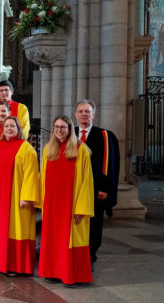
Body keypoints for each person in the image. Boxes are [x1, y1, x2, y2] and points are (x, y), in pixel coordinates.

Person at [37, 115, 94, 286]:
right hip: (53, 204)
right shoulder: (49, 149)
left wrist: (81, 208)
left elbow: (87, 182)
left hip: (72, 204)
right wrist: (42, 203)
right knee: (53, 239)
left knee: (69, 239)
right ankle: (53, 272)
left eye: (63, 127)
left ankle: (71, 275)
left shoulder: (80, 149)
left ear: (70, 129)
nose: (59, 130)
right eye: (56, 127)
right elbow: (43, 178)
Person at [0, 116, 39, 275]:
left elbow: (31, 175)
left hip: (16, 198)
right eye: (6, 126)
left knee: (16, 229)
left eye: (12, 126)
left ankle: (15, 265)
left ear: (18, 128)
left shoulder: (26, 148)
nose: (9, 129)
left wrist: (26, 197)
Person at [74, 100, 120, 263]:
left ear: (94, 114)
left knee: (94, 223)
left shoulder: (105, 136)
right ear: (75, 115)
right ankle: (75, 253)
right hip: (73, 189)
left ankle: (90, 255)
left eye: (87, 111)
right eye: (81, 111)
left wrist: (105, 189)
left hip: (95, 189)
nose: (84, 114)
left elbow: (109, 166)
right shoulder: (69, 134)